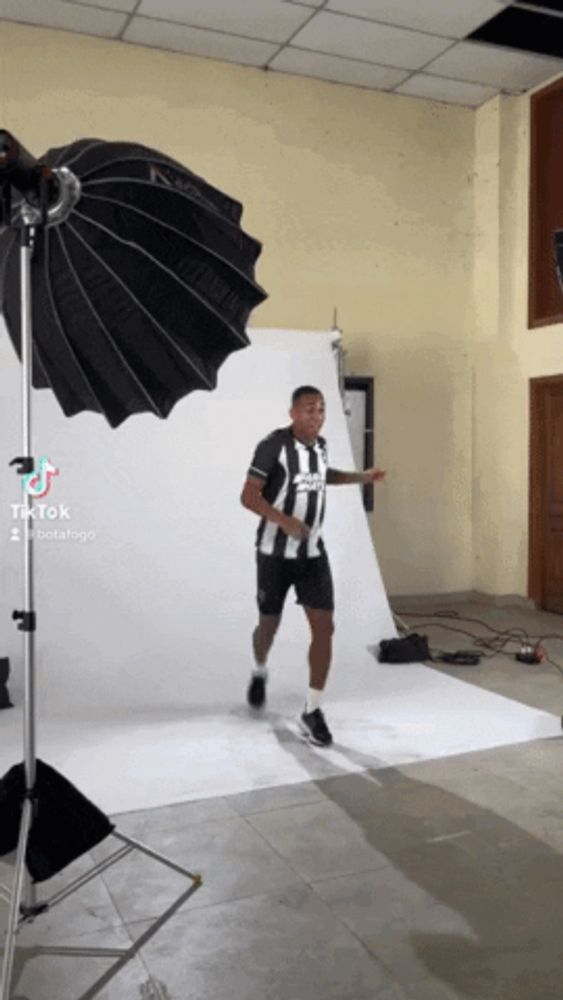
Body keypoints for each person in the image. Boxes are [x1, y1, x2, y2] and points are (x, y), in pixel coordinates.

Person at [240, 385, 386, 747]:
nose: (316, 416)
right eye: (309, 409)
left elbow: (324, 476)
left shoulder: (320, 447)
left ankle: (312, 709)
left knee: (324, 628)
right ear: (292, 413)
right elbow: (247, 495)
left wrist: (361, 477)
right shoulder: (273, 445)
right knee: (268, 627)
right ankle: (259, 669)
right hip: (274, 555)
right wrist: (283, 520)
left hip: (312, 556)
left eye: (321, 410)